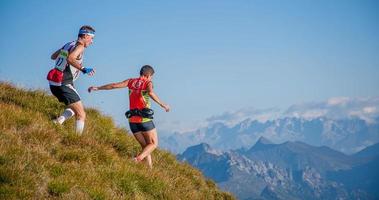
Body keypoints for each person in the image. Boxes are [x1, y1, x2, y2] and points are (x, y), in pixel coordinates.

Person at [88, 65, 170, 168]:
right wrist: (163, 105)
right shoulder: (148, 82)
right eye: (152, 76)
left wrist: (97, 88)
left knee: (145, 147)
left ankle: (150, 171)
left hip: (132, 121)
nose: (151, 78)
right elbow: (150, 93)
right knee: (153, 144)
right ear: (148, 75)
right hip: (144, 119)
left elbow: (114, 85)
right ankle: (137, 159)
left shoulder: (130, 81)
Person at [47, 25, 96, 135]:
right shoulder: (80, 46)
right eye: (92, 38)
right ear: (85, 35)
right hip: (63, 83)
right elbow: (70, 58)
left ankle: (57, 122)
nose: (92, 42)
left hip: (54, 82)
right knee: (82, 114)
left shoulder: (68, 44)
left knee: (75, 108)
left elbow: (53, 56)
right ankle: (77, 140)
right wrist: (83, 69)